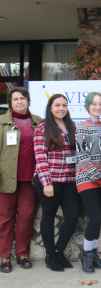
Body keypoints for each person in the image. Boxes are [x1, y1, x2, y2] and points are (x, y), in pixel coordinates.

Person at [33, 94, 80, 272]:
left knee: (73, 215)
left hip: (69, 179)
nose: (61, 108)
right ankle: (51, 255)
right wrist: (46, 182)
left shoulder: (71, 125)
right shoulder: (43, 128)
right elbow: (40, 157)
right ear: (50, 107)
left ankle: (59, 251)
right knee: (49, 215)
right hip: (50, 178)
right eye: (57, 105)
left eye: (64, 105)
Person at [0, 87, 42, 273]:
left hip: (30, 178)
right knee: (5, 219)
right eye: (15, 99)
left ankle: (23, 254)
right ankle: (4, 256)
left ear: (28, 101)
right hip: (6, 178)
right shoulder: (1, 123)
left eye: (22, 98)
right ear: (10, 102)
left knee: (26, 217)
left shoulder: (39, 123)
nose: (19, 102)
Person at [75, 92, 101, 274]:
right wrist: (100, 178)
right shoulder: (82, 127)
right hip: (87, 178)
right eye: (94, 104)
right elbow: (82, 157)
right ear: (88, 106)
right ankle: (86, 255)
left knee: (99, 220)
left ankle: (94, 253)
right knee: (95, 218)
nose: (97, 107)